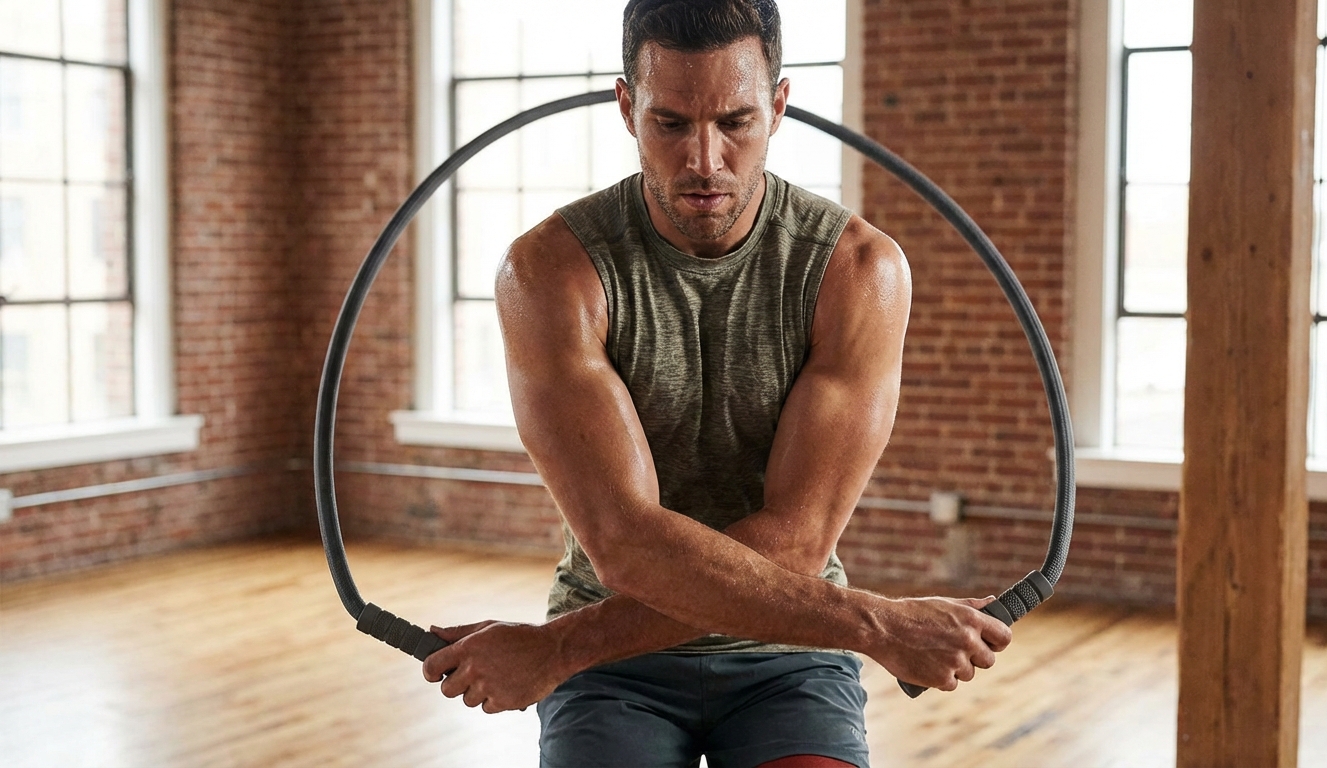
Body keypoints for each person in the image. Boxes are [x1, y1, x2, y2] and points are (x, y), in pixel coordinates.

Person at [422, 1, 1011, 765]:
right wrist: (880, 627)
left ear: (779, 107)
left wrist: (555, 648)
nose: (704, 160)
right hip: (611, 663)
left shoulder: (858, 272)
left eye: (736, 121)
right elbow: (625, 545)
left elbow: (796, 543)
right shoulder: (549, 272)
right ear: (627, 108)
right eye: (671, 124)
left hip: (788, 651)